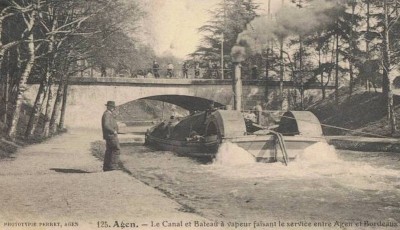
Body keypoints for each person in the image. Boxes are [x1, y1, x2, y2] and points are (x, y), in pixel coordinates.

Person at [101, 101, 120, 171]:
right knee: (116, 149)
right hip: (111, 135)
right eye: (111, 107)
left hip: (109, 135)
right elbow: (106, 125)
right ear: (108, 107)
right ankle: (112, 166)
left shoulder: (109, 114)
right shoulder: (107, 114)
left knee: (109, 150)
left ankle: (106, 167)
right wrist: (113, 131)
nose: (113, 108)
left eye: (113, 107)